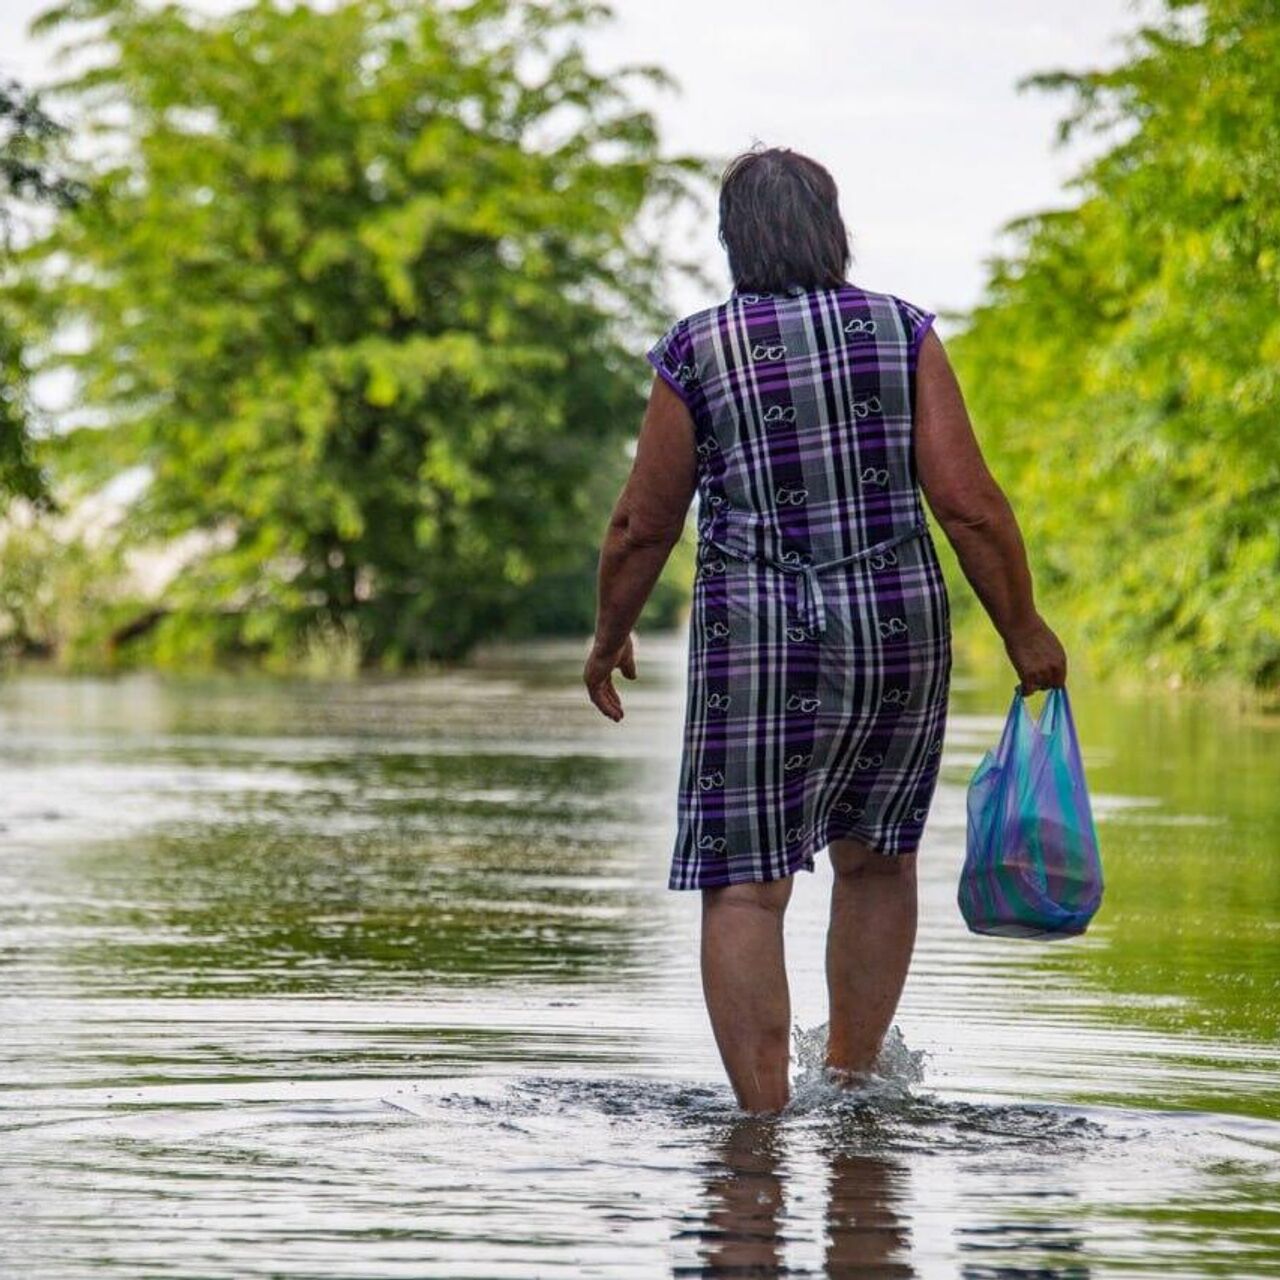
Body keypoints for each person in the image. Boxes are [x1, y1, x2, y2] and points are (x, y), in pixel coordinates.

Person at [583, 145, 1066, 1114]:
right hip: (895, 629)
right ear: (829, 229)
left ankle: (761, 1120)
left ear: (731, 241)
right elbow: (965, 502)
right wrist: (1022, 630)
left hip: (756, 638)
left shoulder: (696, 348)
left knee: (745, 884)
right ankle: (848, 1092)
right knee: (876, 858)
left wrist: (607, 636)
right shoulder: (901, 331)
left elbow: (643, 520)